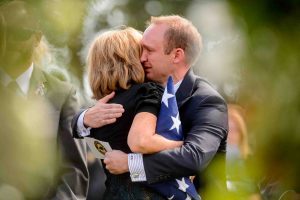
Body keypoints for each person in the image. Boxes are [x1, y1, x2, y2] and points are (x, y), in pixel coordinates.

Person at [73, 15, 228, 197]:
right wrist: (85, 118)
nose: (141, 57)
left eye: (149, 50)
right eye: (140, 50)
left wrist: (130, 164)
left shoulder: (206, 102)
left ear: (177, 55)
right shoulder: (138, 91)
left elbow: (194, 157)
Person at [73, 27, 184, 199]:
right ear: (133, 58)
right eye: (142, 51)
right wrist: (185, 145)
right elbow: (141, 142)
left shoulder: (97, 112)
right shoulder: (147, 92)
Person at [0, 1, 88, 199]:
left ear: (37, 38)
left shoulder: (63, 95)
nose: (11, 41)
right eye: (5, 32)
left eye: (21, 33)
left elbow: (73, 173)